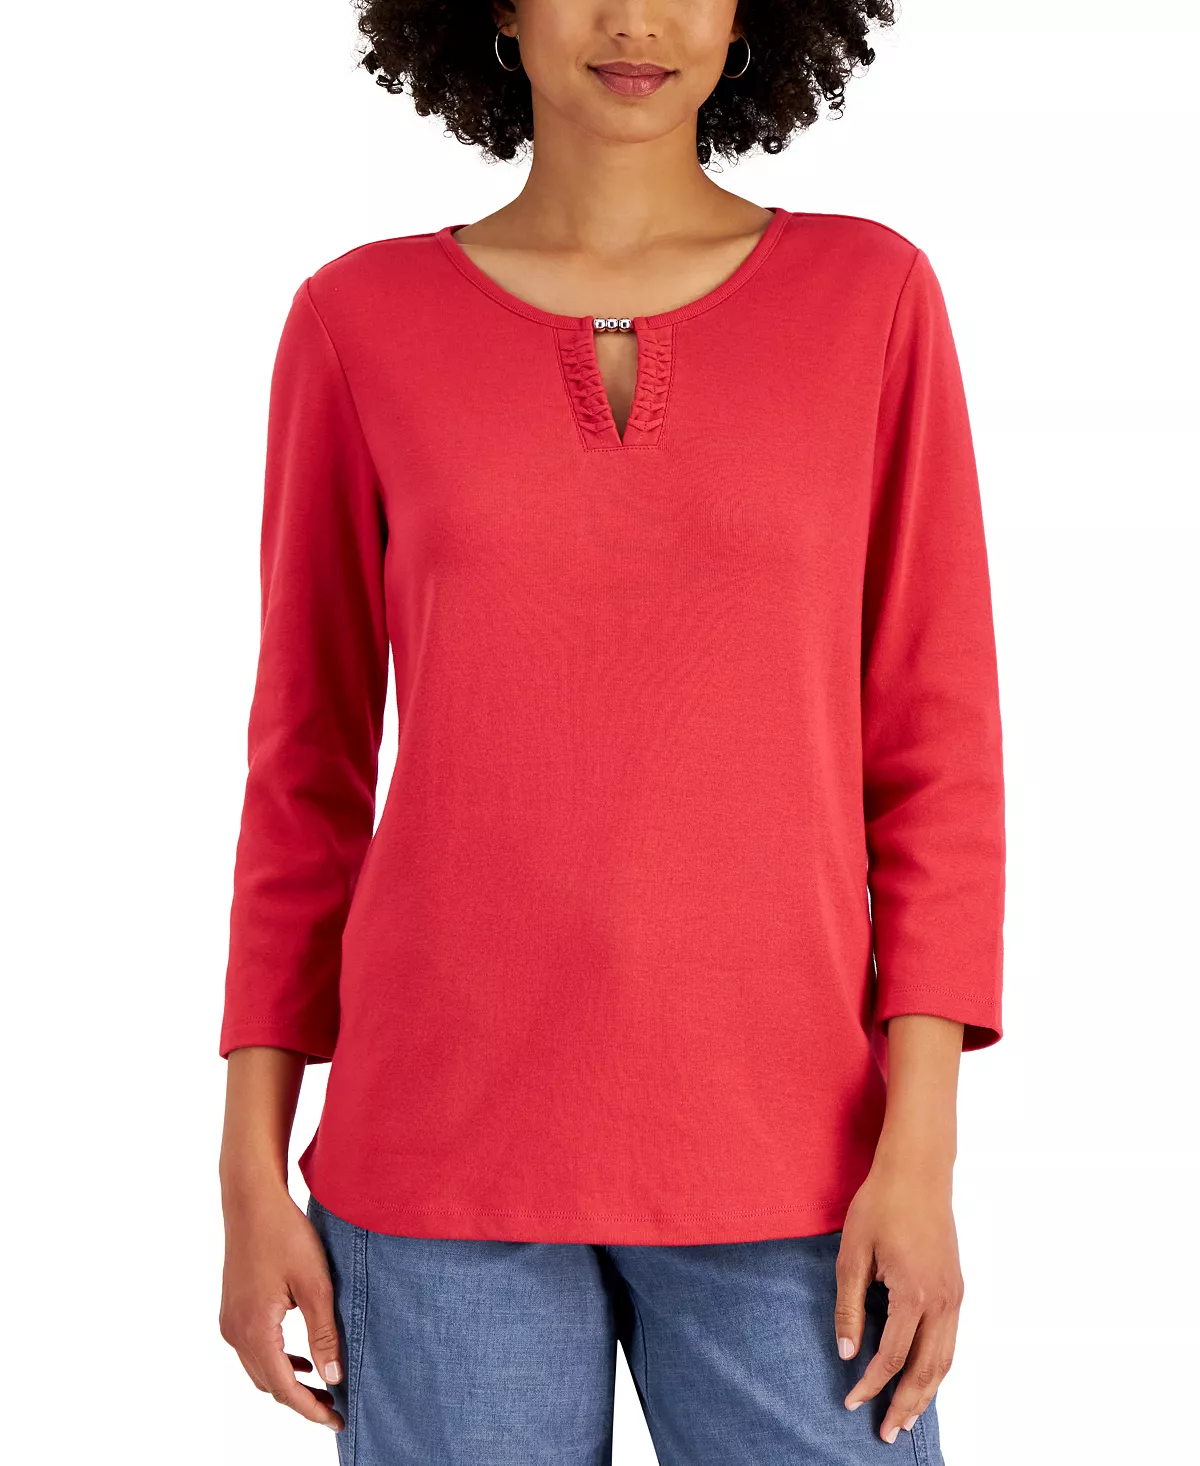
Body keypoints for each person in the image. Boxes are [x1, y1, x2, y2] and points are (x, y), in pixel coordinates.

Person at [217, 3, 1005, 1463]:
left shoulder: (873, 297)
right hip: (435, 1156)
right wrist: (246, 1173)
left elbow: (936, 751)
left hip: (799, 1160)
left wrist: (924, 1146)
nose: (634, 18)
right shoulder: (355, 320)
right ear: (496, 8)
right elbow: (304, 769)